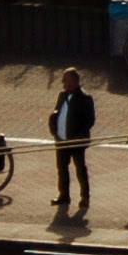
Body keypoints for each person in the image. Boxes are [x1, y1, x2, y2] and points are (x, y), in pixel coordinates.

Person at [49, 67, 96, 217]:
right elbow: (56, 113)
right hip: (61, 139)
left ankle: (85, 197)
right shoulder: (62, 95)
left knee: (80, 168)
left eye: (66, 80)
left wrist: (79, 135)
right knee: (62, 168)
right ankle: (64, 195)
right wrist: (54, 130)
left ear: (74, 81)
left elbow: (90, 120)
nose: (63, 83)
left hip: (76, 141)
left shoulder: (85, 98)